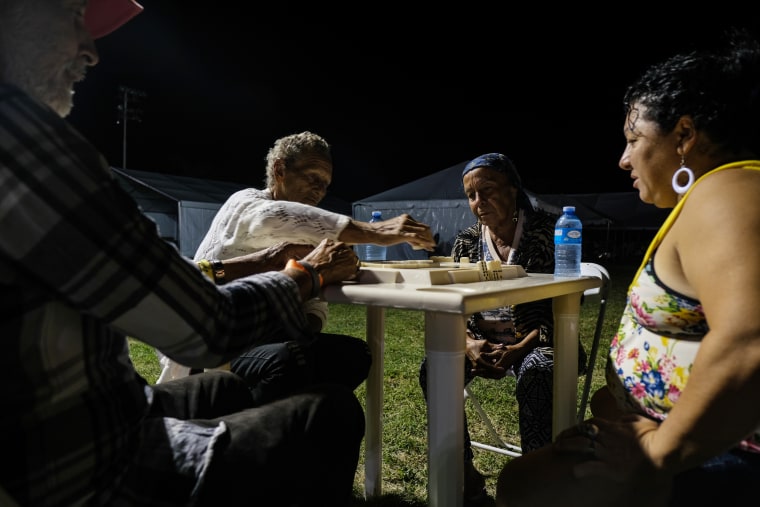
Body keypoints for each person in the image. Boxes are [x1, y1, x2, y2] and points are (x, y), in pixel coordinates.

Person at [0, 1, 369, 505]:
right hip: (81, 463)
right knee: (329, 413)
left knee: (235, 390)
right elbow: (205, 326)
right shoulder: (29, 153)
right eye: (72, 15)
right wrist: (305, 274)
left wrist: (280, 278)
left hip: (101, 407)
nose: (91, 51)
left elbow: (175, 280)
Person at [495, 28, 760, 507]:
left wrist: (660, 449)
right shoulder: (716, 195)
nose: (623, 159)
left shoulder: (727, 194)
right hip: (680, 442)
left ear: (684, 135)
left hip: (723, 460)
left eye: (633, 139)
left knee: (525, 486)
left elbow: (750, 339)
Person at [158, 130, 437, 405]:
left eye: (325, 184)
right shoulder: (246, 203)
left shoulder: (308, 234)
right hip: (214, 339)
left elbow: (316, 310)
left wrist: (320, 281)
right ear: (280, 170)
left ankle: (301, 425)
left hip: (265, 333)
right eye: (312, 178)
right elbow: (276, 218)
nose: (319, 190)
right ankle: (240, 429)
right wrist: (376, 231)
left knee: (355, 355)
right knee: (289, 360)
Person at [417, 152, 566, 505]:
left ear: (513, 188)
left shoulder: (548, 231)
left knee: (539, 370)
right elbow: (452, 303)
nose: (478, 202)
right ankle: (464, 476)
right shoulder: (468, 240)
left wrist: (519, 348)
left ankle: (535, 480)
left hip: (538, 341)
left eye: (487, 191)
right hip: (484, 344)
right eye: (471, 195)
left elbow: (561, 308)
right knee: (436, 367)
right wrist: (468, 343)